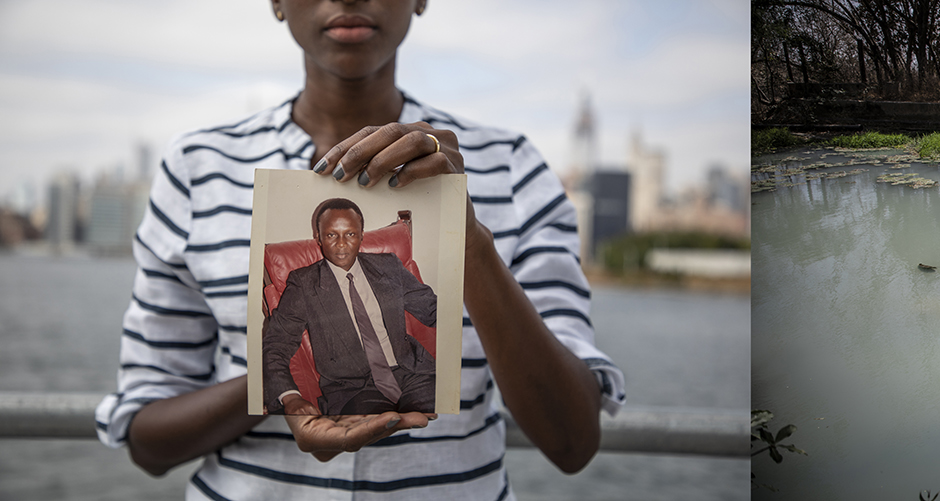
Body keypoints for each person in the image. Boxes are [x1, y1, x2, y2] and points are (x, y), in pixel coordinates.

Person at [93, 1, 625, 498]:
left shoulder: (510, 167)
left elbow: (573, 442)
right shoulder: (198, 167)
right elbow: (148, 438)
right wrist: (295, 384)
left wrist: (471, 248)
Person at [263, 198, 439, 416]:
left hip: (412, 373)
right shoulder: (303, 284)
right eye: (331, 235)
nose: (341, 243)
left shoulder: (388, 266)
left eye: (350, 234)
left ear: (361, 235)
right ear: (318, 238)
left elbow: (433, 310)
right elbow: (275, 344)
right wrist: (289, 397)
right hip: (353, 391)